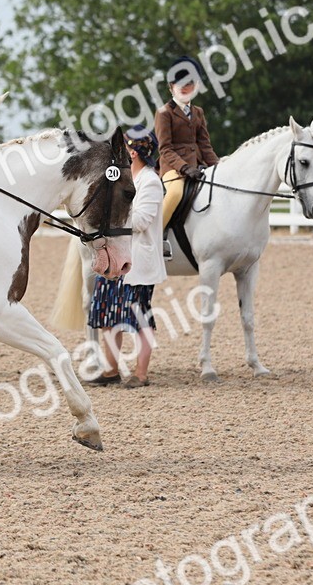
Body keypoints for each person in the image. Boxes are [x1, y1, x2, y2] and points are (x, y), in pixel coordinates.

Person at [87, 126, 167, 387]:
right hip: (114, 257)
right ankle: (111, 370)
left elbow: (142, 221)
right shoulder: (122, 179)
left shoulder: (151, 182)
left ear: (132, 153)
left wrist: (115, 212)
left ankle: (141, 373)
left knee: (140, 318)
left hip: (138, 262)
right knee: (107, 315)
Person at [155, 56, 220, 226]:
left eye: (190, 83)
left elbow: (205, 145)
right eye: (180, 83)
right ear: (171, 87)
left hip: (197, 166)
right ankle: (156, 235)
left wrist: (217, 167)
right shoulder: (164, 113)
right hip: (172, 168)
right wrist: (184, 167)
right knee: (176, 192)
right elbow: (165, 149)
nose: (185, 87)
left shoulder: (198, 112)